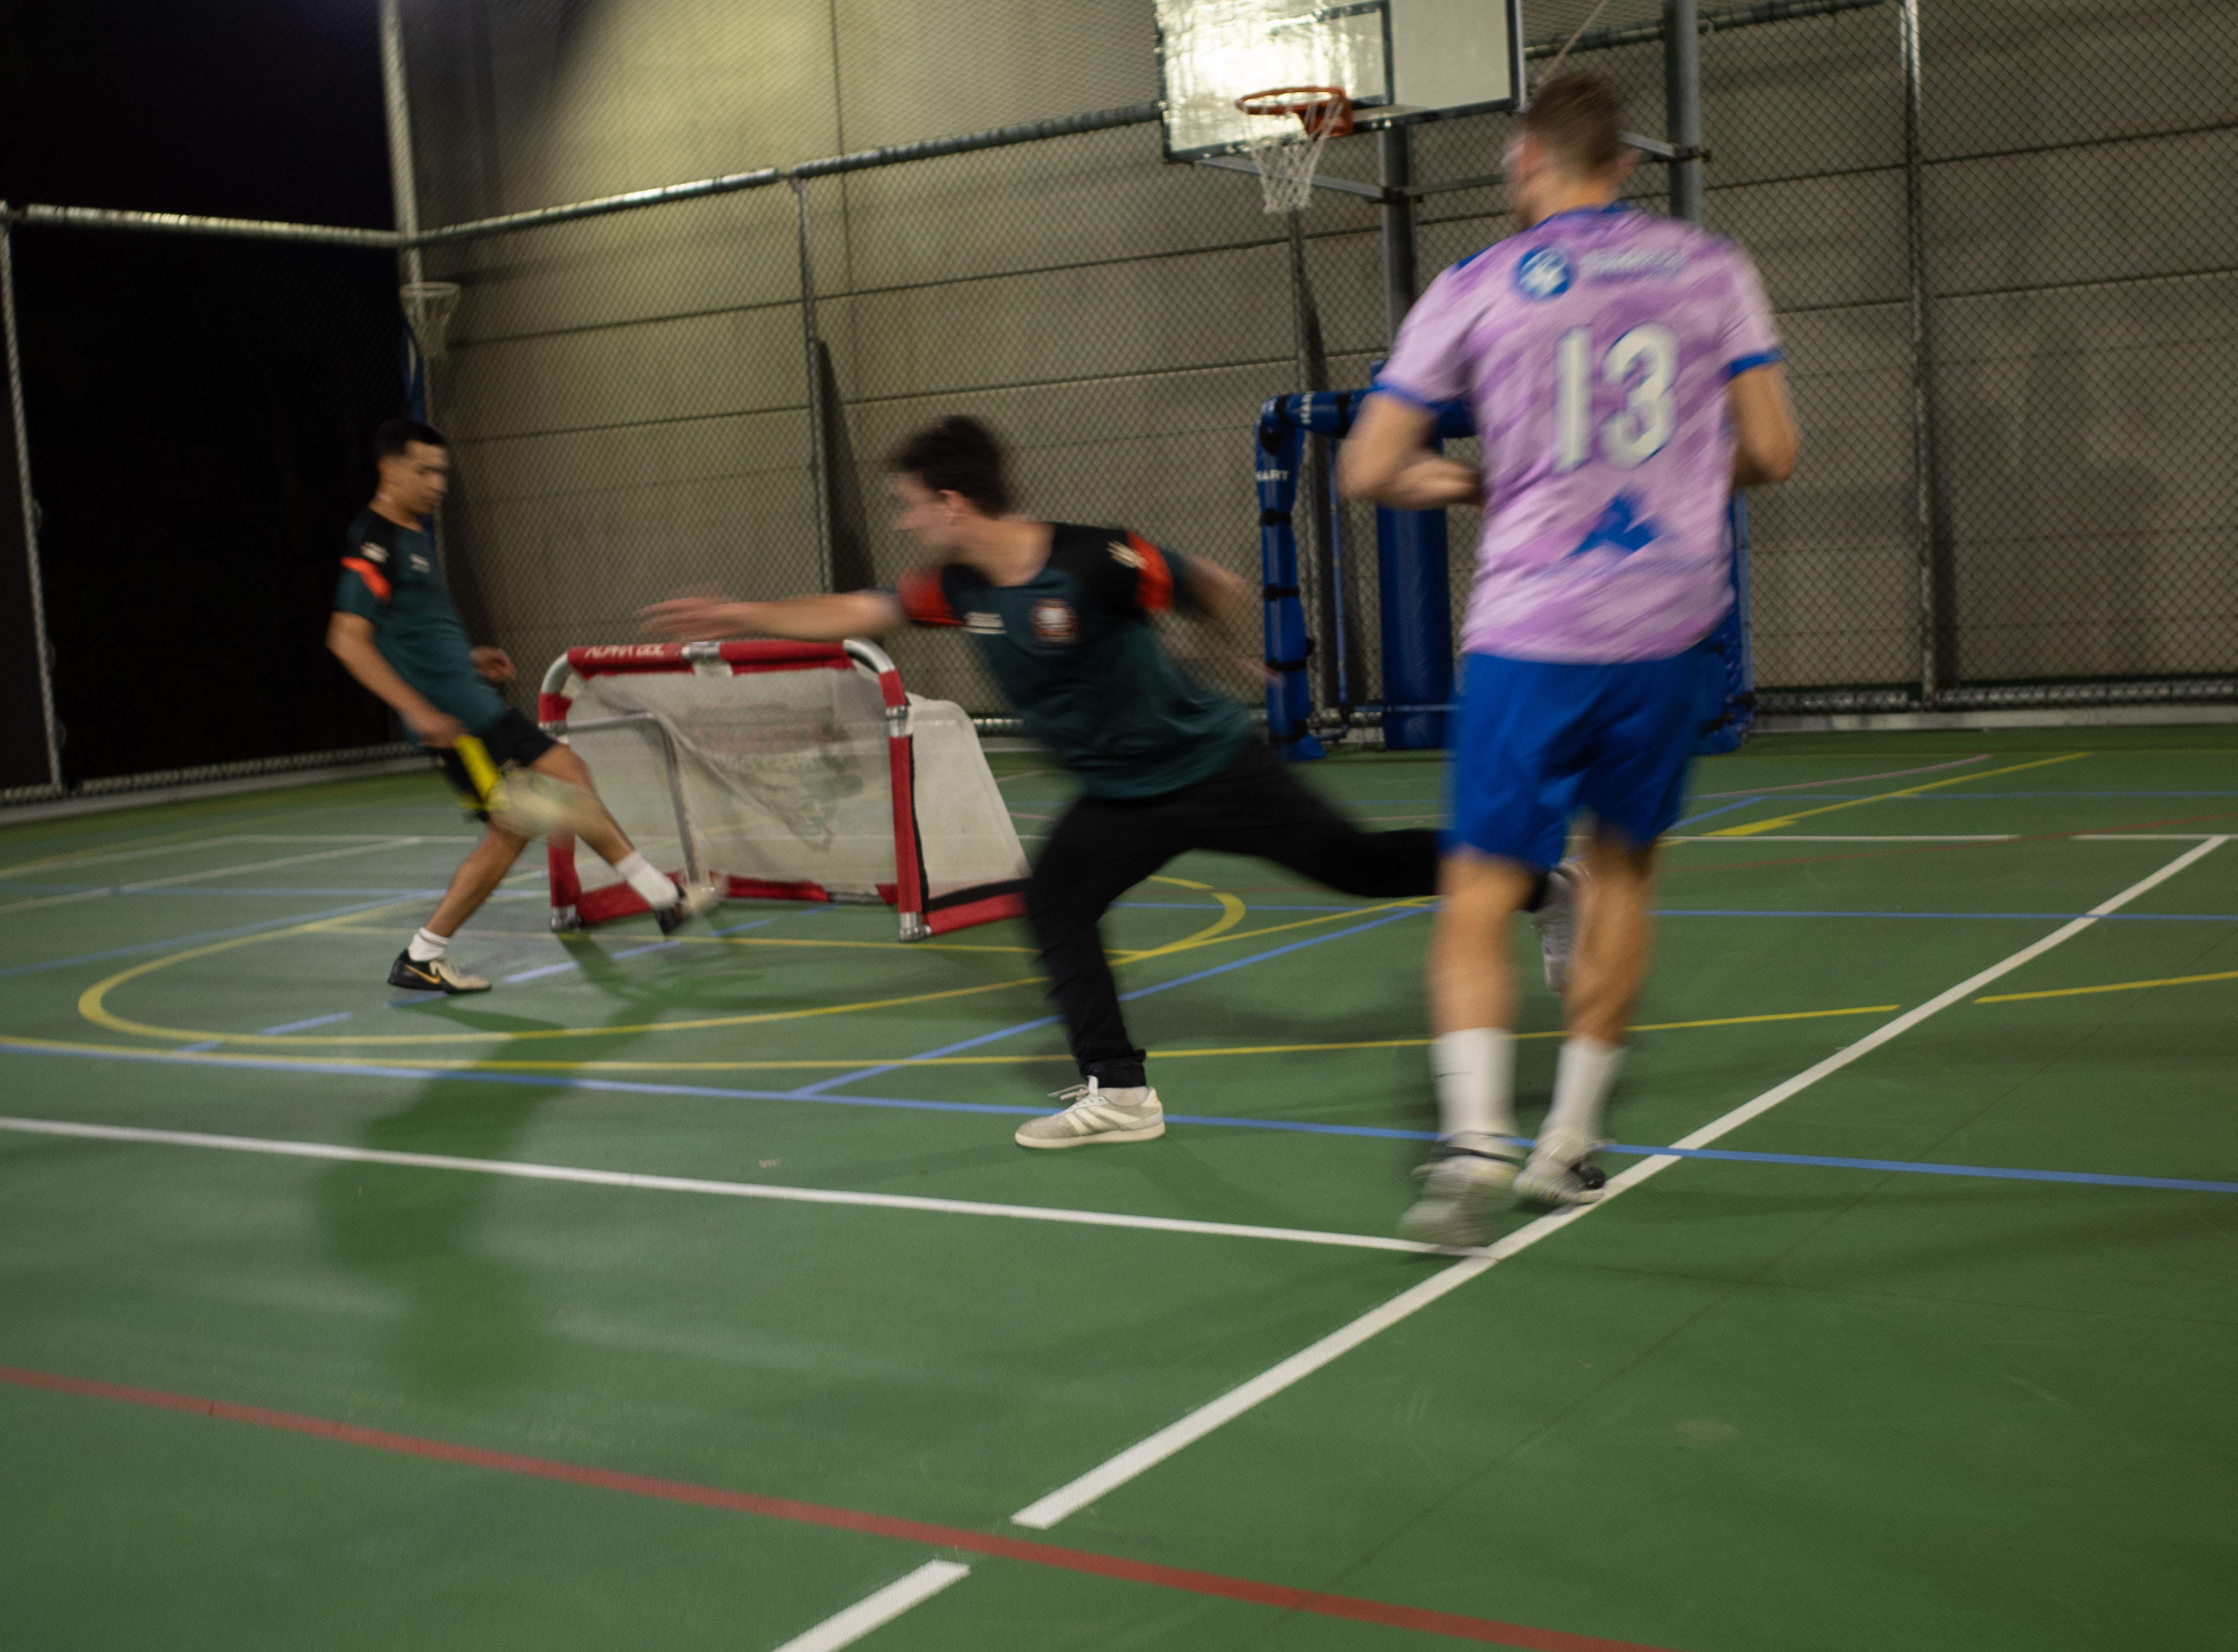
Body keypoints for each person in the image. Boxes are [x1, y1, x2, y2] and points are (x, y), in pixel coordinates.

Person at [641, 415, 1563, 1151]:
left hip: (1211, 767)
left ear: (953, 502)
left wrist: (1216, 649)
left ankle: (1538, 883)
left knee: (1355, 867)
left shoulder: (1095, 559)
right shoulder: (958, 588)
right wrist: (741, 612)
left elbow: (1215, 583)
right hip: (1122, 797)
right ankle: (1121, 1093)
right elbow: (859, 609)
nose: (904, 521)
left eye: (909, 506)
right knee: (1057, 903)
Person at [1340, 68, 1801, 1246]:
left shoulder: (1477, 282)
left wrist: (1478, 483)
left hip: (1534, 629)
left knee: (1480, 891)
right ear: (1627, 164)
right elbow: (1773, 450)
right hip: (1668, 624)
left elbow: (1369, 467)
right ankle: (1569, 1144)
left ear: (1527, 161)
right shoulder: (1713, 266)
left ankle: (1474, 1148)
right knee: (1625, 874)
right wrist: (1680, 478)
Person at [328, 419, 717, 993]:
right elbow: (348, 639)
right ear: (389, 469)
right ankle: (423, 955)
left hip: (479, 706)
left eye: (442, 473)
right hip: (458, 727)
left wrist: (468, 660)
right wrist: (419, 711)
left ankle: (663, 899)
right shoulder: (375, 541)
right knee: (519, 828)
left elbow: (412, 634)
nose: (438, 484)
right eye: (424, 471)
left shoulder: (414, 535)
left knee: (570, 777)